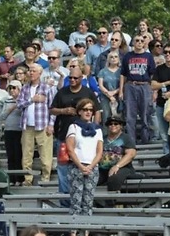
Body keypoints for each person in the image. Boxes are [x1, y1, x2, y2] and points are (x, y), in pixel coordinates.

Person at [50, 68, 101, 207]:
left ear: (81, 78)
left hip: (84, 137)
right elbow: (52, 109)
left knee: (82, 167)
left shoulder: (88, 92)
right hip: (64, 135)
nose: (72, 80)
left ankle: (82, 202)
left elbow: (97, 110)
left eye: (75, 78)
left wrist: (95, 128)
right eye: (70, 78)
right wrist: (63, 110)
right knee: (63, 170)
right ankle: (65, 202)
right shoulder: (62, 92)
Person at [66, 99, 103, 236]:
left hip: (92, 168)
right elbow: (70, 149)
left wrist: (90, 166)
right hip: (77, 167)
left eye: (90, 110)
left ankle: (86, 232)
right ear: (80, 111)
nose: (88, 112)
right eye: (85, 109)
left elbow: (99, 152)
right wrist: (81, 166)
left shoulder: (98, 130)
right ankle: (74, 232)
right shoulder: (74, 127)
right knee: (76, 202)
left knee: (88, 202)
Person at [17, 64, 56, 184]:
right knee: (26, 156)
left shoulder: (47, 88)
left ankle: (45, 178)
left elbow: (53, 108)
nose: (31, 73)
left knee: (45, 155)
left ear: (40, 73)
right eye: (30, 70)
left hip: (42, 125)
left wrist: (51, 124)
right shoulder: (24, 88)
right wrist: (31, 100)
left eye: (34, 71)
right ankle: (27, 179)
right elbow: (19, 104)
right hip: (27, 126)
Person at [119, 34, 156, 144]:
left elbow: (153, 74)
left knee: (145, 114)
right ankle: (131, 142)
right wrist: (121, 90)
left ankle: (145, 141)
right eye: (137, 40)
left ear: (144, 43)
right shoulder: (127, 56)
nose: (139, 42)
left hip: (144, 85)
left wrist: (153, 90)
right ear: (133, 43)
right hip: (130, 85)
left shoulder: (148, 57)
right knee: (130, 116)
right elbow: (123, 74)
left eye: (141, 40)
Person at [98, 116, 137, 192]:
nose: (113, 125)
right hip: (102, 169)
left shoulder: (126, 138)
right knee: (92, 177)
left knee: (114, 178)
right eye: (110, 124)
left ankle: (112, 202)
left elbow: (131, 154)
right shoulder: (102, 138)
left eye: (116, 124)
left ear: (121, 126)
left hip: (122, 168)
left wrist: (117, 166)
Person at [0, 80, 23, 185]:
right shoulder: (7, 101)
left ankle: (20, 179)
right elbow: (2, 116)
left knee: (18, 155)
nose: (12, 90)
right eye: (10, 88)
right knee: (10, 155)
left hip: (19, 130)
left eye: (14, 88)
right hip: (8, 130)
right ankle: (12, 179)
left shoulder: (23, 100)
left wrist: (17, 105)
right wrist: (11, 108)